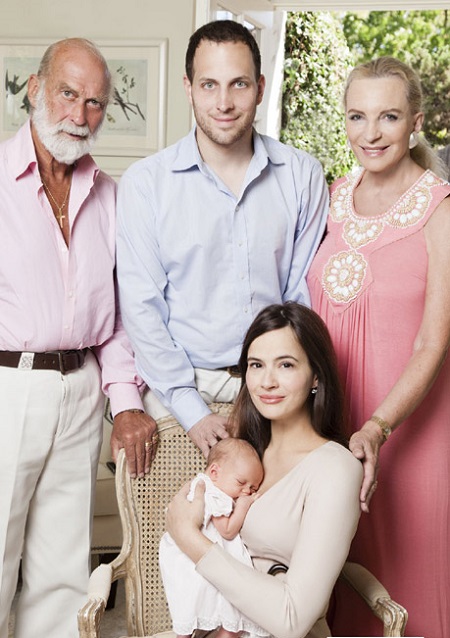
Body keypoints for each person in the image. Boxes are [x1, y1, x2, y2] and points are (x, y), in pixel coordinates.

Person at [0, 38, 157, 638]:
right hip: (9, 385)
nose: (80, 114)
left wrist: (125, 402)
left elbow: (120, 317)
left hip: (83, 388)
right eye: (68, 93)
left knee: (64, 567)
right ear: (35, 89)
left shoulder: (112, 197)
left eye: (95, 102)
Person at [116, 20, 329, 458]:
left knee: (274, 525)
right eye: (209, 84)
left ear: (261, 87)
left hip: (277, 389)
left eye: (239, 84)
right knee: (171, 524)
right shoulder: (145, 184)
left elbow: (298, 296)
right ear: (188, 87)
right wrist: (191, 409)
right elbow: (142, 308)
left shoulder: (302, 175)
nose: (225, 102)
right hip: (179, 388)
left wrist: (270, 387)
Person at [307, 56, 450, 637]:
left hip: (409, 432)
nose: (371, 133)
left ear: (415, 121)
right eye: (357, 116)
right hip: (328, 426)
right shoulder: (331, 197)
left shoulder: (441, 210)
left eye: (388, 117)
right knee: (326, 576)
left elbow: (432, 339)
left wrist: (378, 427)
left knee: (407, 580)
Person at [165, 302, 363, 638]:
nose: (267, 381)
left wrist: (189, 538)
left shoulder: (335, 468)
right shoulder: (245, 454)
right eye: (256, 365)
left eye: (285, 364)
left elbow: (293, 619)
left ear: (316, 375)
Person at [159, 437, 268, 638]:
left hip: (199, 562)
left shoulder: (208, 487)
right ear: (215, 472)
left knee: (202, 617)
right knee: (229, 613)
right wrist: (245, 504)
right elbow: (227, 530)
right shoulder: (213, 494)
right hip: (196, 565)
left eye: (253, 488)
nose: (246, 491)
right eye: (241, 483)